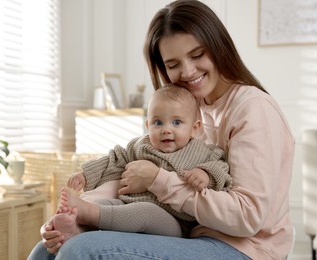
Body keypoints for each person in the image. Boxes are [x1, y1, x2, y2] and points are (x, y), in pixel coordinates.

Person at [28, 0, 294, 259]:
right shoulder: (190, 109)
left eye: (197, 54)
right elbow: (129, 174)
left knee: (81, 250)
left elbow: (246, 218)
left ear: (219, 46)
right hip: (189, 234)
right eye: (173, 64)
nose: (188, 71)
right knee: (47, 249)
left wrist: (158, 180)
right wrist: (74, 215)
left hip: (244, 249)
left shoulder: (252, 109)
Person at [51, 85, 231, 244]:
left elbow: (221, 167)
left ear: (194, 127)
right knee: (107, 204)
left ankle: (87, 213)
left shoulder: (202, 151)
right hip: (128, 206)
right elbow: (115, 159)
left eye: (177, 122)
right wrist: (86, 174)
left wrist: (205, 174)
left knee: (145, 211)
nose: (166, 129)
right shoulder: (141, 146)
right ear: (148, 125)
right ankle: (74, 228)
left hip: (175, 224)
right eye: (158, 122)